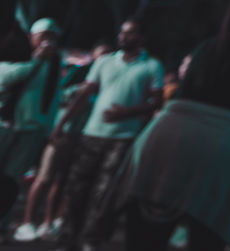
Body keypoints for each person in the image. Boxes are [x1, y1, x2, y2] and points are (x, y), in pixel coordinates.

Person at [109, 0, 230, 251]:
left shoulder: (207, 48)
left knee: (147, 230)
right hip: (228, 147)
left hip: (170, 135)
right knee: (209, 231)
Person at [54, 17, 166, 251]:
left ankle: (90, 240)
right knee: (76, 188)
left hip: (122, 137)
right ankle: (67, 239)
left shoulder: (152, 66)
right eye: (122, 33)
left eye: (130, 33)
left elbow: (157, 102)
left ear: (141, 38)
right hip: (92, 134)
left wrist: (127, 112)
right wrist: (62, 123)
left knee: (104, 192)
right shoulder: (104, 62)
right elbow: (84, 95)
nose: (123, 37)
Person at [15, 40, 113, 243]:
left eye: (107, 55)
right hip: (61, 133)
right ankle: (26, 222)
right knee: (44, 177)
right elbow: (59, 98)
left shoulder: (106, 81)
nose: (103, 59)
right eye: (100, 54)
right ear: (93, 55)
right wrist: (57, 128)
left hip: (80, 136)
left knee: (62, 182)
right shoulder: (77, 74)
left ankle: (48, 223)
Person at [0, 18, 63, 224]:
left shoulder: (55, 62)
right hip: (5, 124)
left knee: (12, 179)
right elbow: (6, 78)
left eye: (52, 37)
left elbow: (54, 98)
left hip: (33, 128)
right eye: (44, 35)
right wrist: (36, 60)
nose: (48, 41)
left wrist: (49, 130)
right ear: (32, 37)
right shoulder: (18, 52)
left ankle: (2, 225)